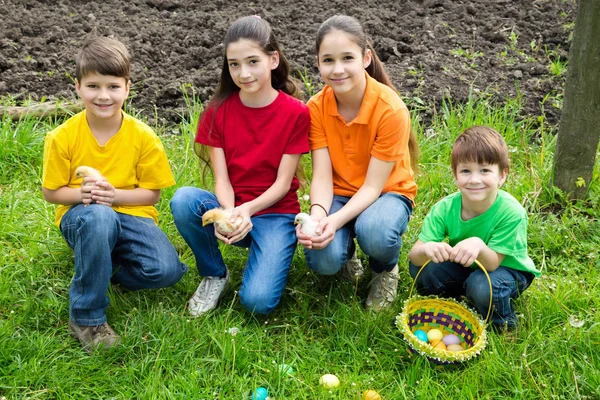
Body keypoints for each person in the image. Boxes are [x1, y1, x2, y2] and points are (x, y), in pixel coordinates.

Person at [41, 37, 187, 353]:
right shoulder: (62, 137)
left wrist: (114, 194)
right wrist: (84, 195)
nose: (103, 95)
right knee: (99, 215)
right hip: (84, 215)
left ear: (127, 88)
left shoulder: (143, 137)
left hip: (132, 213)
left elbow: (151, 195)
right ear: (77, 87)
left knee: (166, 271)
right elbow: (51, 192)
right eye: (93, 86)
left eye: (113, 86)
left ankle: (97, 265)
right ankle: (86, 316)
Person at [170, 16, 310, 317]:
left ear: (273, 59)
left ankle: (271, 251)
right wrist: (230, 213)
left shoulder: (297, 113)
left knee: (257, 302)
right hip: (233, 205)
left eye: (252, 61)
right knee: (184, 200)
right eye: (234, 64)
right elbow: (222, 178)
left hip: (276, 212)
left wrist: (247, 211)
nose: (243, 73)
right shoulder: (217, 112)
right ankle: (214, 273)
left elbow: (283, 184)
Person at [296, 15, 419, 312]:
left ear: (365, 58)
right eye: (328, 60)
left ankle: (385, 268)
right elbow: (323, 177)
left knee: (375, 231)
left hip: (386, 192)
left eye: (347, 58)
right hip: (338, 192)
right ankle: (345, 252)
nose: (337, 69)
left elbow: (373, 186)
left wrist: (335, 222)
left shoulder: (390, 110)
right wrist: (318, 217)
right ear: (318, 63)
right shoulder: (315, 108)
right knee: (322, 259)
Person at [408, 126, 539, 330]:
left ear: (502, 175)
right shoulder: (445, 208)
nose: (475, 179)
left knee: (482, 286)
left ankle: (503, 324)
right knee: (422, 268)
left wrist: (478, 245)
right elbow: (414, 256)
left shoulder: (511, 212)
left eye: (485, 170)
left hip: (506, 271)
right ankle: (455, 304)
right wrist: (427, 249)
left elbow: (493, 263)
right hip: (467, 266)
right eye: (466, 171)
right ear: (455, 175)